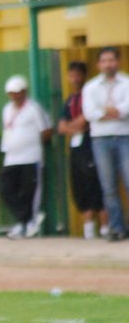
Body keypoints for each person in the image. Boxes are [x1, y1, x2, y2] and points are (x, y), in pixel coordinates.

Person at [82, 47, 129, 242]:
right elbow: (90, 113)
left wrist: (107, 112)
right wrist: (114, 112)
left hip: (125, 137)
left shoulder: (126, 82)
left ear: (118, 61)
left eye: (111, 60)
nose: (108, 64)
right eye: (104, 60)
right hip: (100, 140)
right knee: (108, 187)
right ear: (98, 64)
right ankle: (117, 228)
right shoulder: (90, 87)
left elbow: (127, 109)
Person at [58, 61, 107, 240]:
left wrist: (75, 125)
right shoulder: (70, 100)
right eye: (71, 75)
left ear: (84, 76)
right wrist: (74, 127)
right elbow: (62, 127)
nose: (74, 79)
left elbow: (85, 121)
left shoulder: (91, 95)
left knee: (96, 184)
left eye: (78, 75)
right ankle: (88, 230)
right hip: (76, 148)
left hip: (90, 145)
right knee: (79, 186)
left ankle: (105, 227)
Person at [0, 75, 52, 239]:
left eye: (18, 92)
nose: (15, 96)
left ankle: (27, 222)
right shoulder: (7, 109)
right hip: (11, 157)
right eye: (12, 93)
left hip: (30, 157)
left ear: (24, 92)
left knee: (29, 191)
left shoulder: (33, 108)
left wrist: (33, 144)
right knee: (6, 189)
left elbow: (46, 130)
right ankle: (25, 219)